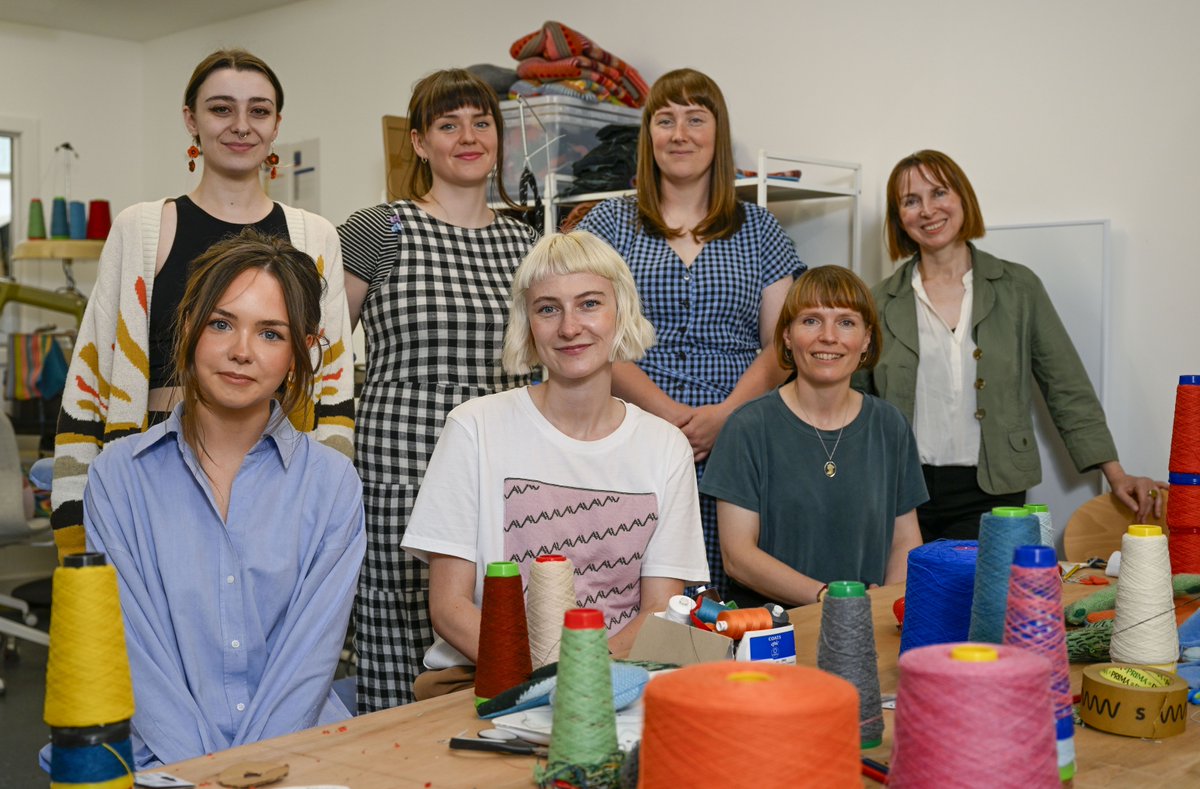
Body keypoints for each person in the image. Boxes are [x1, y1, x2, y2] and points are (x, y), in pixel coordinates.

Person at [52, 48, 354, 562]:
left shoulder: (314, 237)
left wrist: (323, 499)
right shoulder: (142, 229)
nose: (241, 125)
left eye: (259, 111)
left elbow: (332, 385)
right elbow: (92, 373)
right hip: (152, 471)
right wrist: (73, 523)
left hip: (273, 476)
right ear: (191, 119)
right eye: (221, 109)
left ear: (277, 123)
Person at [82, 230, 365, 769]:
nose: (241, 351)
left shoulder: (332, 485)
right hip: (162, 762)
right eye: (221, 323)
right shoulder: (118, 479)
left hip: (297, 758)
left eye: (270, 334)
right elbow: (138, 656)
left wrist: (249, 771)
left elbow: (307, 661)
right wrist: (204, 774)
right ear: (188, 325)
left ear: (301, 353)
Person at [401, 231, 709, 697]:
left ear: (621, 312)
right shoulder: (474, 429)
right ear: (527, 325)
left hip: (619, 679)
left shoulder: (665, 446)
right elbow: (449, 607)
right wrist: (547, 681)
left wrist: (584, 680)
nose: (569, 327)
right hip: (490, 677)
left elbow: (660, 609)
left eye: (589, 304)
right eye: (548, 309)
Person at [338, 68, 537, 710]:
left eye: (482, 123)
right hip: (403, 466)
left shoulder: (527, 242)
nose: (468, 136)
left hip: (501, 468)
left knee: (499, 641)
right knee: (399, 648)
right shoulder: (379, 230)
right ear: (420, 143)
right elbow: (322, 351)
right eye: (448, 125)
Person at [859, 149, 1165, 542]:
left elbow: (1066, 386)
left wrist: (1116, 474)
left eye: (939, 193)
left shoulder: (1019, 289)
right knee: (908, 602)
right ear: (898, 217)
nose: (927, 210)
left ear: (962, 198)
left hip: (993, 490)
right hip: (901, 493)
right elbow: (853, 403)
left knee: (981, 601)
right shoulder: (877, 301)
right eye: (910, 201)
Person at [577, 68, 804, 596]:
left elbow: (782, 345)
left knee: (731, 587)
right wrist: (667, 416)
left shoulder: (761, 229)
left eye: (695, 119)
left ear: (717, 135)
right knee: (636, 582)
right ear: (648, 136)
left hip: (741, 432)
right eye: (665, 119)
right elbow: (588, 337)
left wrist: (725, 417)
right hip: (631, 427)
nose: (680, 134)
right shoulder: (607, 225)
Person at [703, 266, 925, 608]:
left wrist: (883, 612)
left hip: (865, 626)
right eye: (811, 320)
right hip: (773, 636)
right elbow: (738, 557)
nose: (829, 336)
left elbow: (904, 542)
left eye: (846, 322)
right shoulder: (748, 426)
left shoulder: (889, 425)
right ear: (788, 336)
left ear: (866, 338)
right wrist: (833, 600)